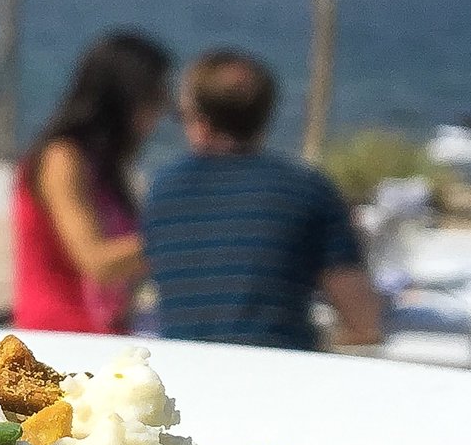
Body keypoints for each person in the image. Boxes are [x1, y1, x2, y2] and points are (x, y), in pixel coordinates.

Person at [141, 47, 384, 350]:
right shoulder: (306, 188)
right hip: (277, 371)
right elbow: (363, 320)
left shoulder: (163, 190)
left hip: (187, 374)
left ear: (200, 122)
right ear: (265, 113)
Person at [12, 30, 171, 333]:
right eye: (156, 95)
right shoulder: (62, 158)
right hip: (61, 334)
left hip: (101, 332)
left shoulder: (102, 164)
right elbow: (96, 262)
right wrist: (182, 238)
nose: (163, 108)